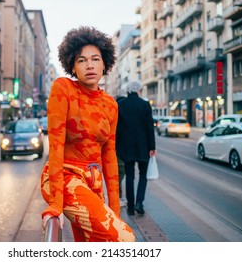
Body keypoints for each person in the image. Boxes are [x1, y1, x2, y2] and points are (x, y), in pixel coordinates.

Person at [40, 26, 135, 242]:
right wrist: (56, 202)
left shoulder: (111, 104)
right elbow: (55, 146)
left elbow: (109, 157)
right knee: (124, 238)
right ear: (72, 66)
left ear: (105, 63)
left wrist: (115, 212)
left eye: (95, 59)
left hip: (94, 182)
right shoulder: (63, 88)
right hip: (64, 177)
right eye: (81, 60)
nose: (89, 65)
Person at [116, 80, 156, 216]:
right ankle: (140, 202)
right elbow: (149, 127)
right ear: (139, 90)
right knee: (143, 175)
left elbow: (118, 129)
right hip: (143, 146)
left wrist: (117, 146)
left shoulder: (121, 105)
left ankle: (131, 207)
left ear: (128, 90)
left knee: (129, 177)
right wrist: (152, 147)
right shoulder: (145, 105)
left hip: (126, 147)